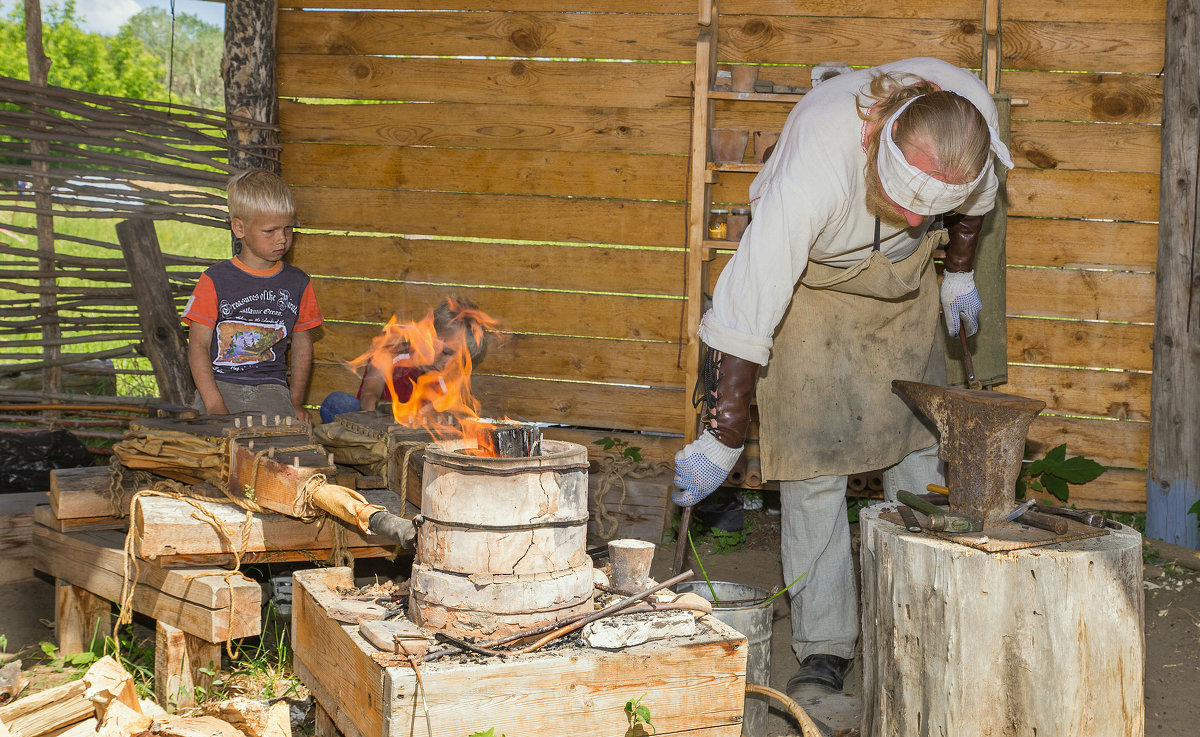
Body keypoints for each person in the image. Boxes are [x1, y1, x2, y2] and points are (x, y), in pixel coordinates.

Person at [672, 57, 1013, 700]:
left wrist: (959, 269)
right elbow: (746, 307)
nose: (919, 220)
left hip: (903, 286)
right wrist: (723, 434)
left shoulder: (973, 122)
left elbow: (978, 205)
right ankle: (826, 646)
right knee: (812, 468)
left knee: (920, 455)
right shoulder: (818, 161)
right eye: (910, 202)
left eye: (930, 209)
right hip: (814, 287)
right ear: (874, 140)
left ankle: (915, 626)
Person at [182, 169, 322, 422]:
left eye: (288, 229)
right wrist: (214, 404)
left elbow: (303, 345)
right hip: (220, 385)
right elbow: (198, 346)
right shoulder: (214, 280)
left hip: (272, 389)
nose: (282, 239)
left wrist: (295, 402)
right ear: (239, 228)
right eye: (270, 231)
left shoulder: (298, 283)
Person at [318, 296, 492, 423]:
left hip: (411, 437)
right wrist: (390, 415)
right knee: (338, 403)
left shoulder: (447, 380)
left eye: (460, 362)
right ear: (429, 335)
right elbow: (369, 396)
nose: (449, 364)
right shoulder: (390, 356)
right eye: (446, 352)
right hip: (372, 427)